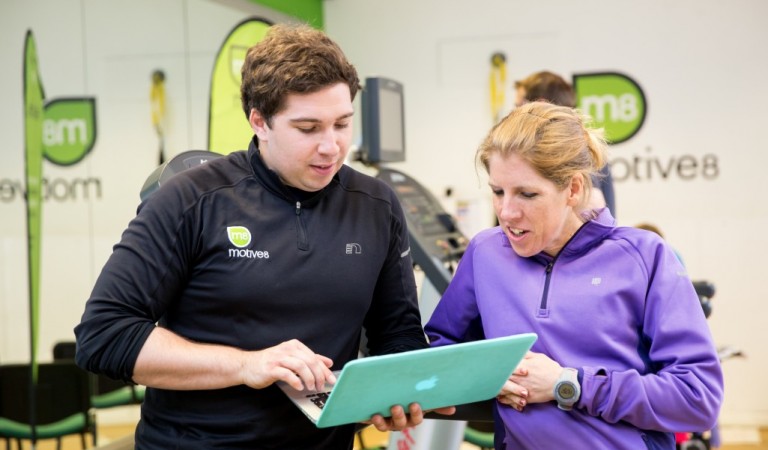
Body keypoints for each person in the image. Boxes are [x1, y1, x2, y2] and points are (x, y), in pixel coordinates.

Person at [74, 23, 451, 449]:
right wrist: (246, 365)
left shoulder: (376, 205)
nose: (331, 147)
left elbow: (396, 333)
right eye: (308, 129)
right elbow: (104, 336)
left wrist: (400, 390)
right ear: (260, 121)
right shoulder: (193, 200)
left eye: (342, 124)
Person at [424, 102, 723, 449]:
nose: (506, 212)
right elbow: (440, 352)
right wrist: (482, 375)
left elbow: (698, 397)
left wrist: (568, 384)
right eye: (497, 191)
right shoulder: (485, 254)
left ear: (574, 189)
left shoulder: (643, 256)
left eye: (527, 193)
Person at [514, 70, 616, 217]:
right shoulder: (584, 145)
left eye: (519, 106)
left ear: (541, 104)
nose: (514, 115)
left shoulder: (572, 149)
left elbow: (591, 210)